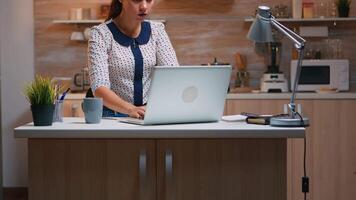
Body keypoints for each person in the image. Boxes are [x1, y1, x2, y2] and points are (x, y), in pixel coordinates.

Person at [88, 0, 179, 119]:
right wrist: (130, 109)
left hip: (148, 115)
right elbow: (99, 88)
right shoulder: (100, 34)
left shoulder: (157, 30)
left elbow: (173, 75)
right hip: (111, 117)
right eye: (136, 0)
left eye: (149, 0)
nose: (144, 7)